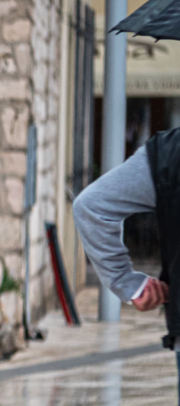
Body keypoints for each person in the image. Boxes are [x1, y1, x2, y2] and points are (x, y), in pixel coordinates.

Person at [73, 129, 177, 317]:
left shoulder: (171, 153)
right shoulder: (171, 155)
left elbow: (91, 206)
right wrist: (127, 282)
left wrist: (128, 283)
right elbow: (91, 207)